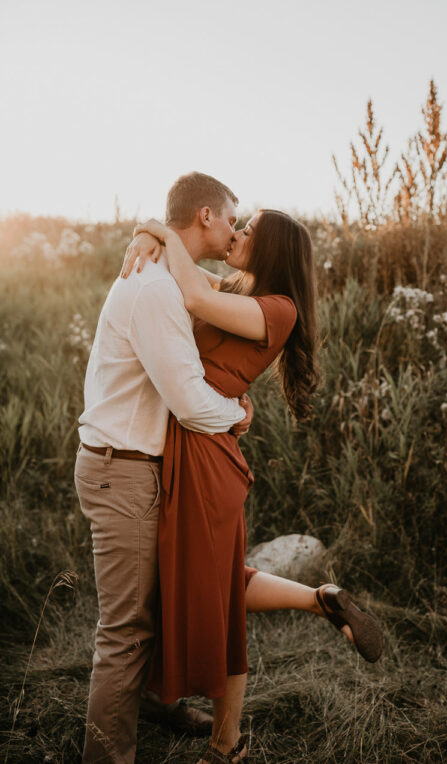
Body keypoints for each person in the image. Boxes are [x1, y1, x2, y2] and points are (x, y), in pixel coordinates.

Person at [122, 208, 384, 764]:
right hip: (194, 446)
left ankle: (227, 744)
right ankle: (321, 601)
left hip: (205, 459)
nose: (236, 234)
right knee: (212, 582)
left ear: (272, 250)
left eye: (249, 231)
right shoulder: (241, 291)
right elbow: (181, 273)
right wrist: (148, 235)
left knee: (219, 602)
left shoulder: (278, 308)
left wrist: (159, 229)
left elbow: (193, 296)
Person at [75, 173, 254, 764]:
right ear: (206, 216)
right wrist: (237, 414)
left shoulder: (170, 275)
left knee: (159, 602)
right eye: (231, 219)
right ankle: (107, 756)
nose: (234, 230)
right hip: (123, 470)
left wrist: (151, 229)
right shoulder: (154, 289)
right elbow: (189, 401)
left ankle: (158, 703)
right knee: (126, 631)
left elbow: (218, 292)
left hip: (138, 466)